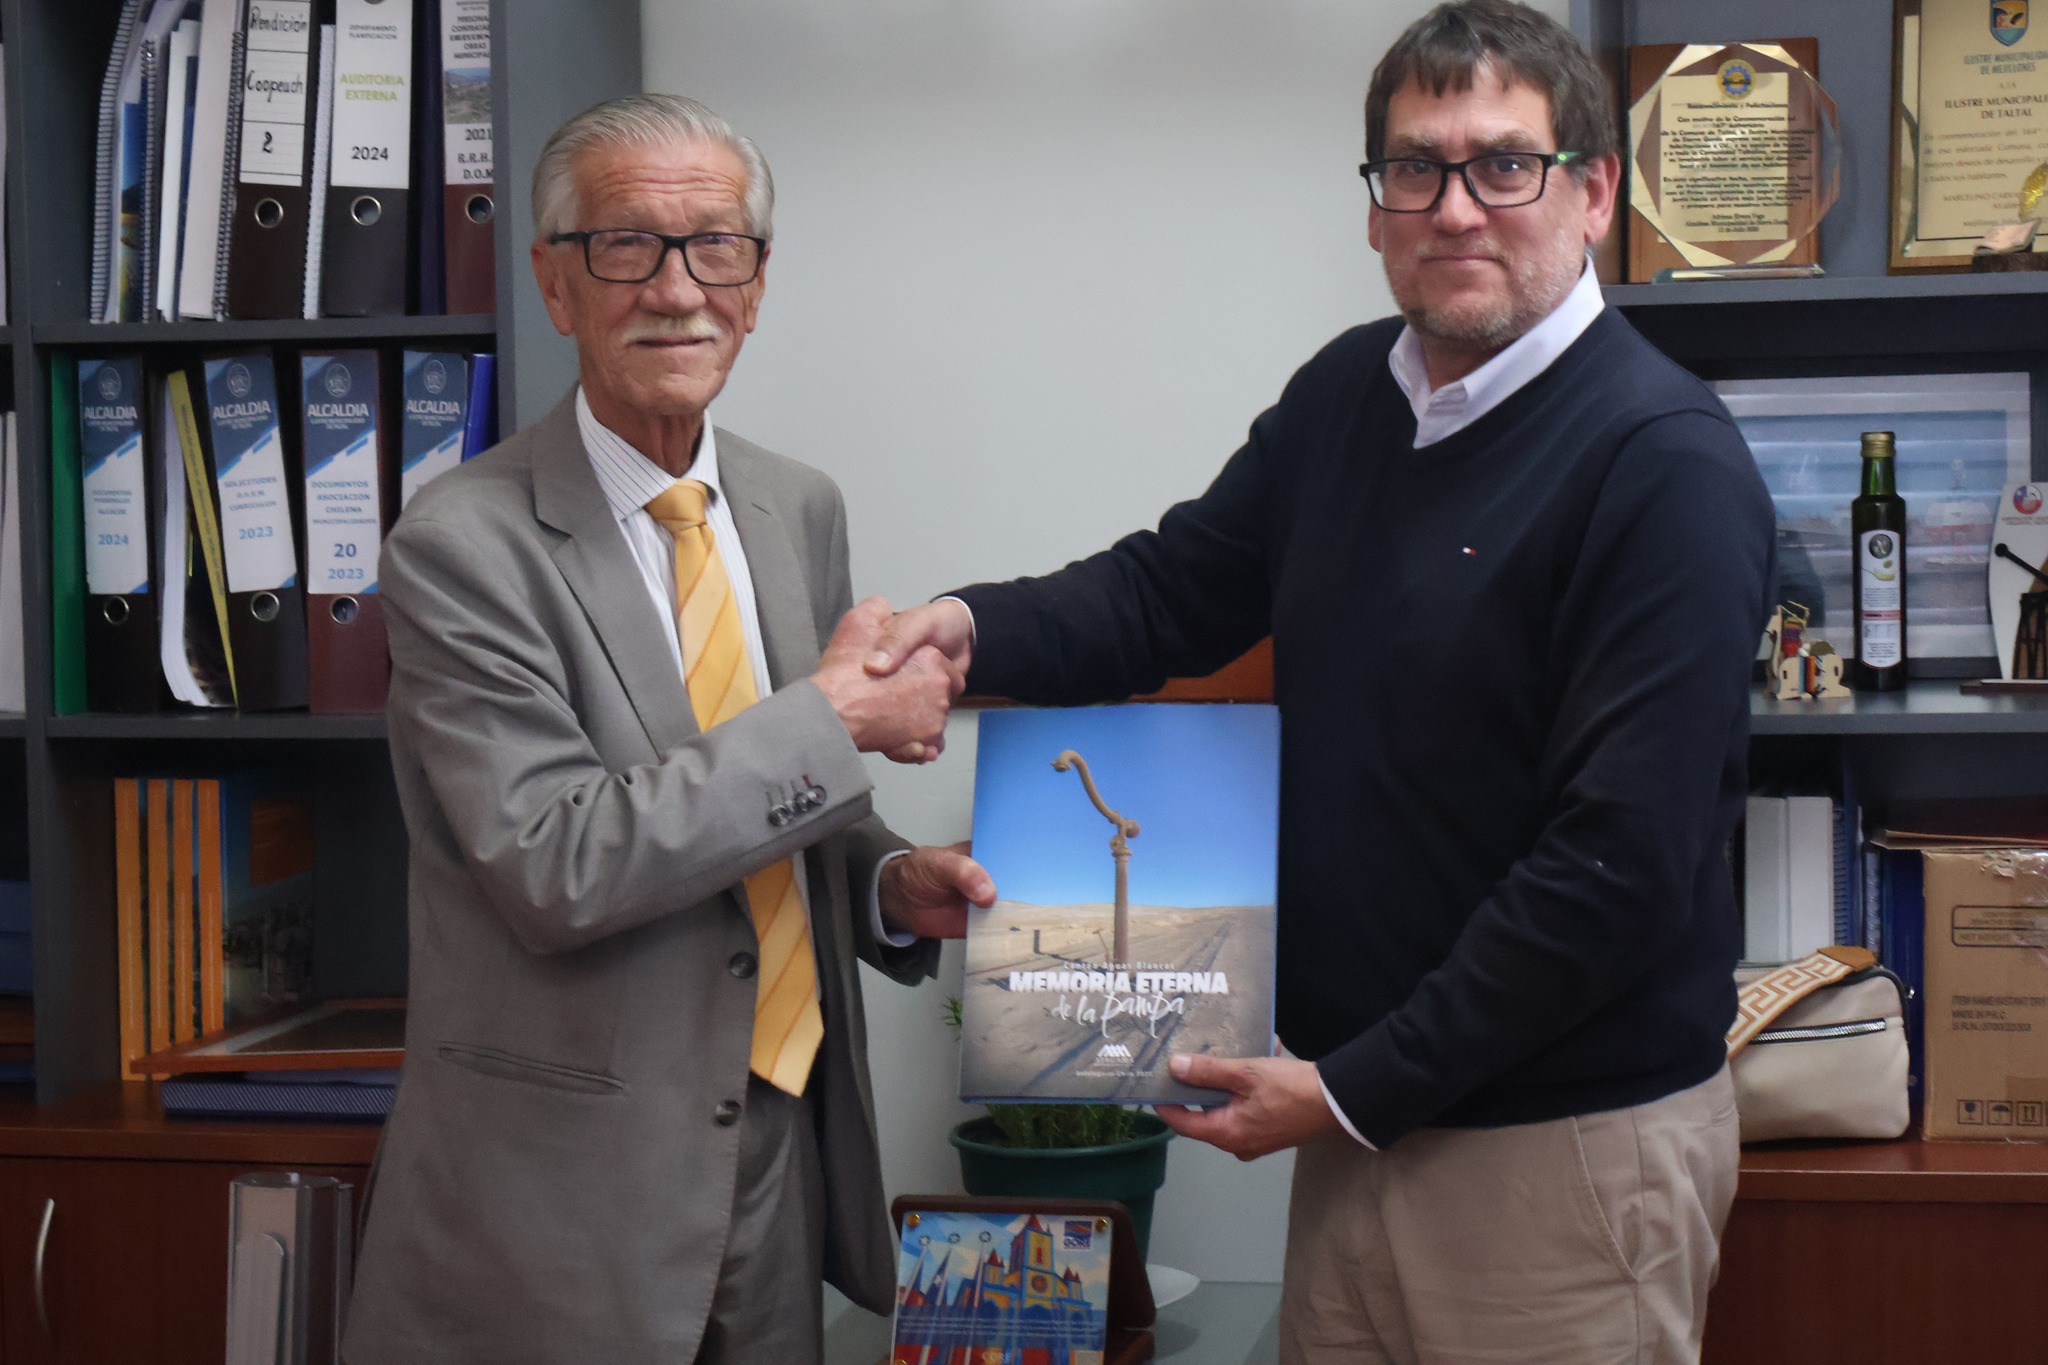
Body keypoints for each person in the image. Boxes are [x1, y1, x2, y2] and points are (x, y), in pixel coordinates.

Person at [868, 3, 1775, 1361]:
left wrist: (1352, 1088)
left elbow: (1617, 870)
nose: (1456, 208)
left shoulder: (1664, 466)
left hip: (1556, 1156)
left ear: (1594, 194)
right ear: (1373, 208)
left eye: (1503, 164)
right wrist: (962, 631)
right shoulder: (1352, 396)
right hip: (1363, 1125)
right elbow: (1166, 592)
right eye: (1416, 167)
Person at [343, 94, 994, 1365]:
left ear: (756, 285)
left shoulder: (794, 504)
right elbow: (556, 861)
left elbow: (778, 806)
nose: (676, 288)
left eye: (717, 247)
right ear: (553, 283)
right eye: (625, 245)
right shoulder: (456, 546)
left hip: (777, 1151)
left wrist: (883, 887)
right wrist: (835, 719)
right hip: (562, 1200)